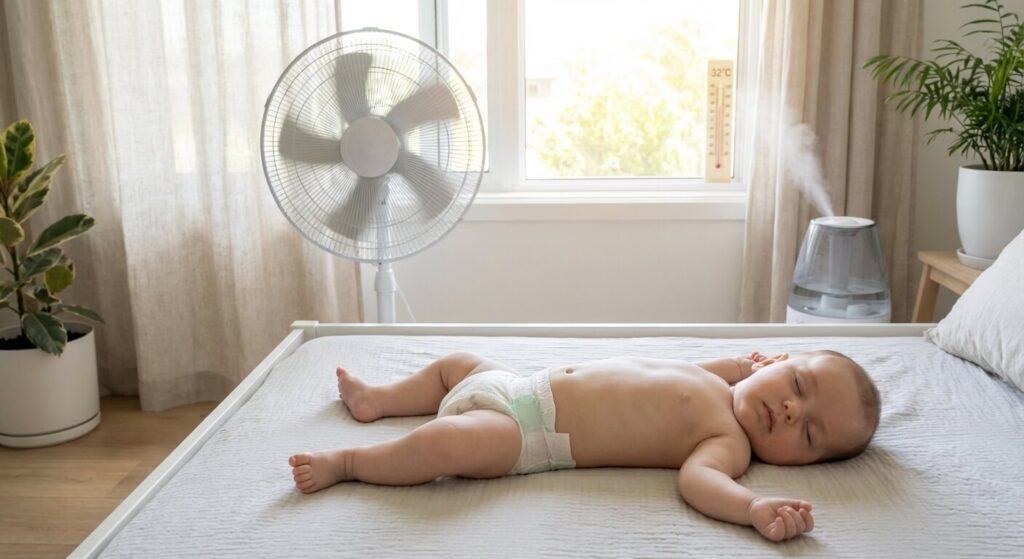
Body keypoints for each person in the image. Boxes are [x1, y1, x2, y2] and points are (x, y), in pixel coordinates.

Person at [289, 349, 881, 542]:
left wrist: (751, 508)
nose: (790, 410)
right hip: (517, 384)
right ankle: (381, 400)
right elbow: (689, 372)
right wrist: (744, 366)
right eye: (796, 384)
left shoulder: (728, 442)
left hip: (528, 436)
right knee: (455, 365)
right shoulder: (726, 378)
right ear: (774, 362)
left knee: (445, 445)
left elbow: (698, 482)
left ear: (805, 461)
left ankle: (350, 463)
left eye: (809, 433)